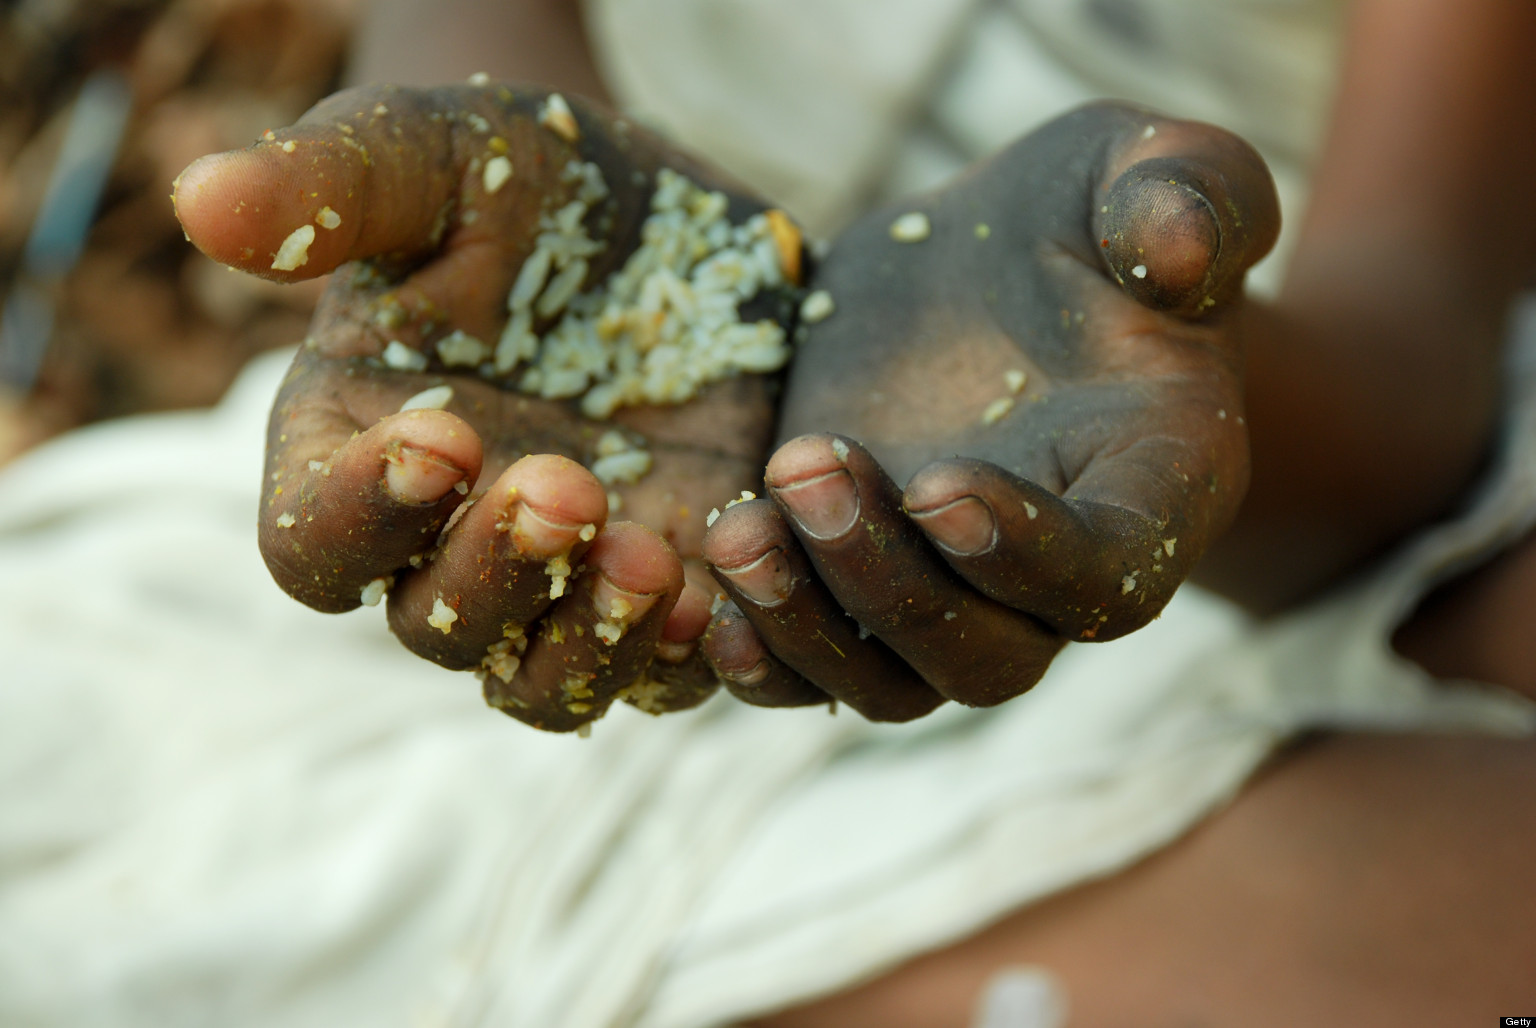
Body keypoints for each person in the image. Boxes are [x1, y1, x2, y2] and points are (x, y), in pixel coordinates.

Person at [3, 1, 1534, 1025]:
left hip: (1217, 442)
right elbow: (473, 44)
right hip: (587, 405)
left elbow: (1414, 381)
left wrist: (1181, 357)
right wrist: (527, 214)